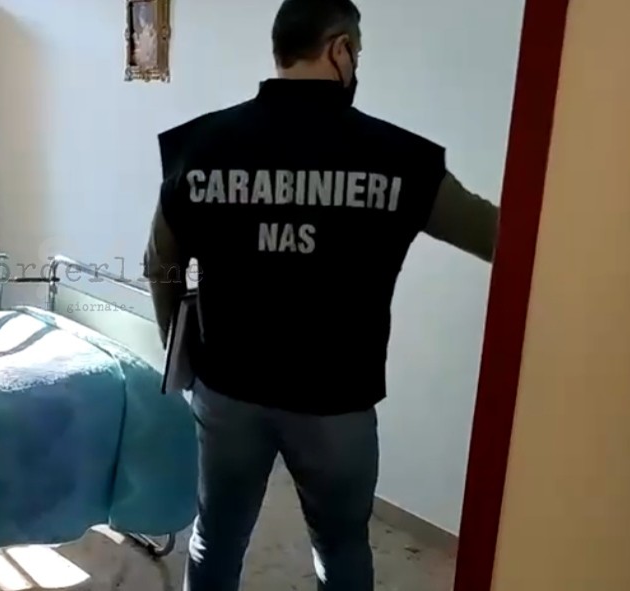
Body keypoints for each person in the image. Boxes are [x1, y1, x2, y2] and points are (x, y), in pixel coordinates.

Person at [142, 1, 499, 590]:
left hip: (228, 390)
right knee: (340, 548)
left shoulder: (200, 147)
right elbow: (505, 240)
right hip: (338, 401)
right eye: (356, 52)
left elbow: (161, 264)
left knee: (217, 537)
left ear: (280, 52)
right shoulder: (402, 159)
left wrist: (182, 360)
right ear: (340, 49)